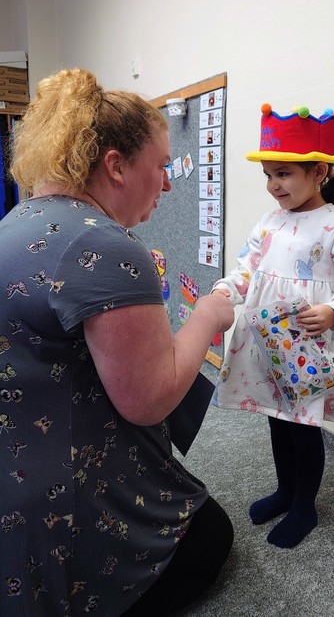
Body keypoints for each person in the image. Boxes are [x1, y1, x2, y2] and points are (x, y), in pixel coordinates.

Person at [0, 68, 235, 616]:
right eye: (162, 166)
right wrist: (206, 315)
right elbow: (149, 399)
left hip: (18, 457)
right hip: (58, 493)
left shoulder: (15, 221)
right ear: (115, 165)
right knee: (210, 535)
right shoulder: (105, 246)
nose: (169, 184)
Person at [212, 103, 334, 548]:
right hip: (268, 342)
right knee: (277, 420)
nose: (273, 185)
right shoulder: (270, 222)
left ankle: (305, 506)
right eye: (268, 174)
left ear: (319, 171)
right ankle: (285, 491)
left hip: (307, 348)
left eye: (283, 173)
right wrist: (225, 292)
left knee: (303, 425)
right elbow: (247, 268)